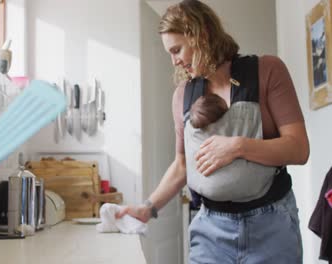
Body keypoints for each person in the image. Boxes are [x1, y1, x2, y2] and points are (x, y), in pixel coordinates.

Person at [116, 1, 309, 263]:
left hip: (271, 227)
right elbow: (182, 165)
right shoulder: (182, 96)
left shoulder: (267, 70)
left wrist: (238, 146)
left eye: (177, 50)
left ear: (201, 33)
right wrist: (147, 209)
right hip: (210, 233)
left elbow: (298, 148)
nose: (175, 61)